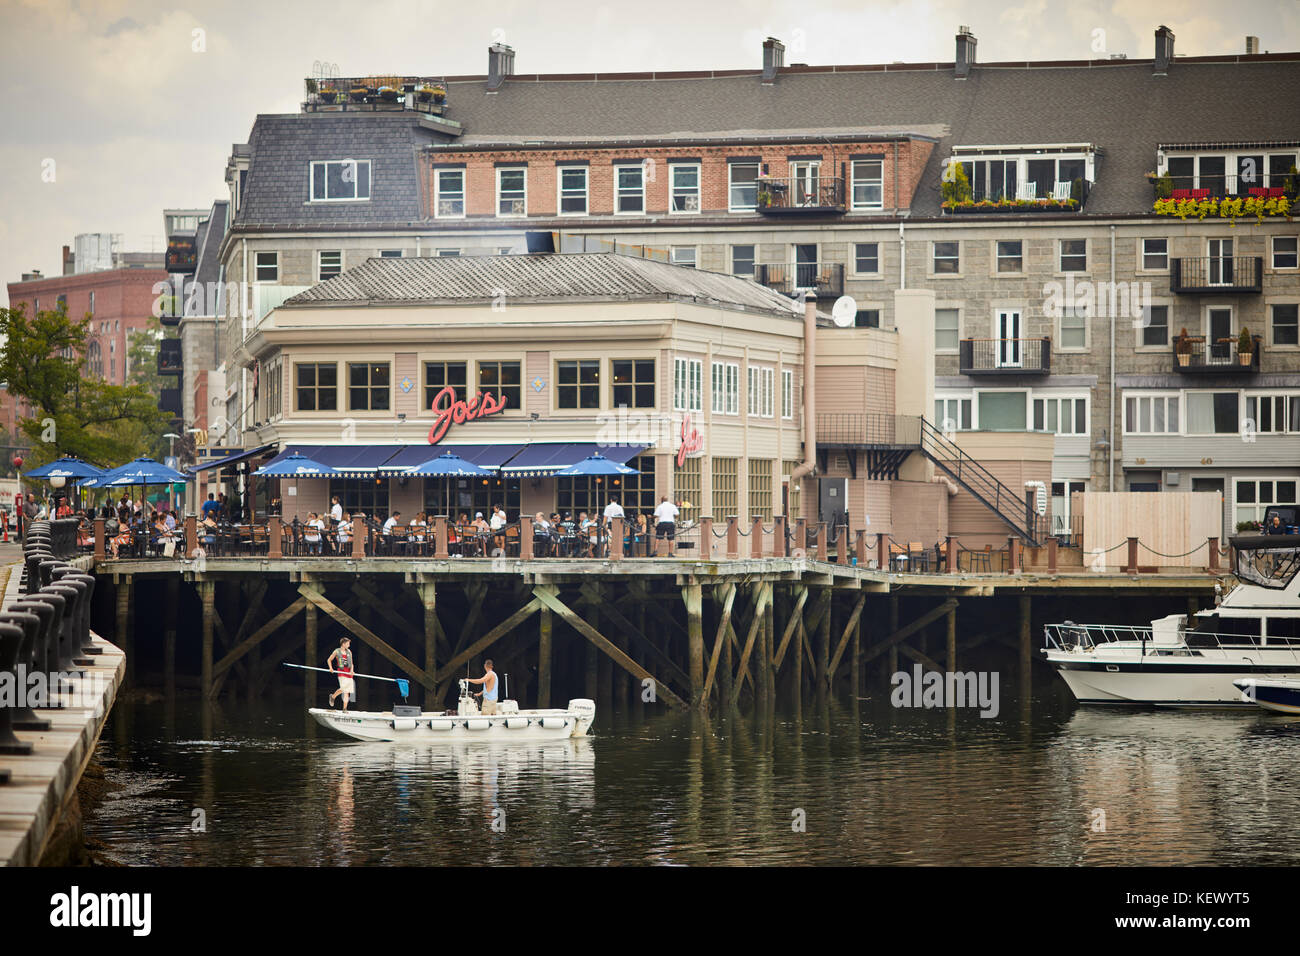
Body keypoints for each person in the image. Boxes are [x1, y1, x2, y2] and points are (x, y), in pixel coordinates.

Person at [327, 637, 355, 711]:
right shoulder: (337, 651)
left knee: (347, 691)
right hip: (341, 672)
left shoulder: (349, 652)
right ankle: (333, 697)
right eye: (348, 643)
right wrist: (331, 668)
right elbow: (329, 660)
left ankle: (344, 708)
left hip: (349, 673)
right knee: (344, 689)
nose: (349, 645)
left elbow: (351, 663)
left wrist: (352, 670)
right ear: (343, 644)